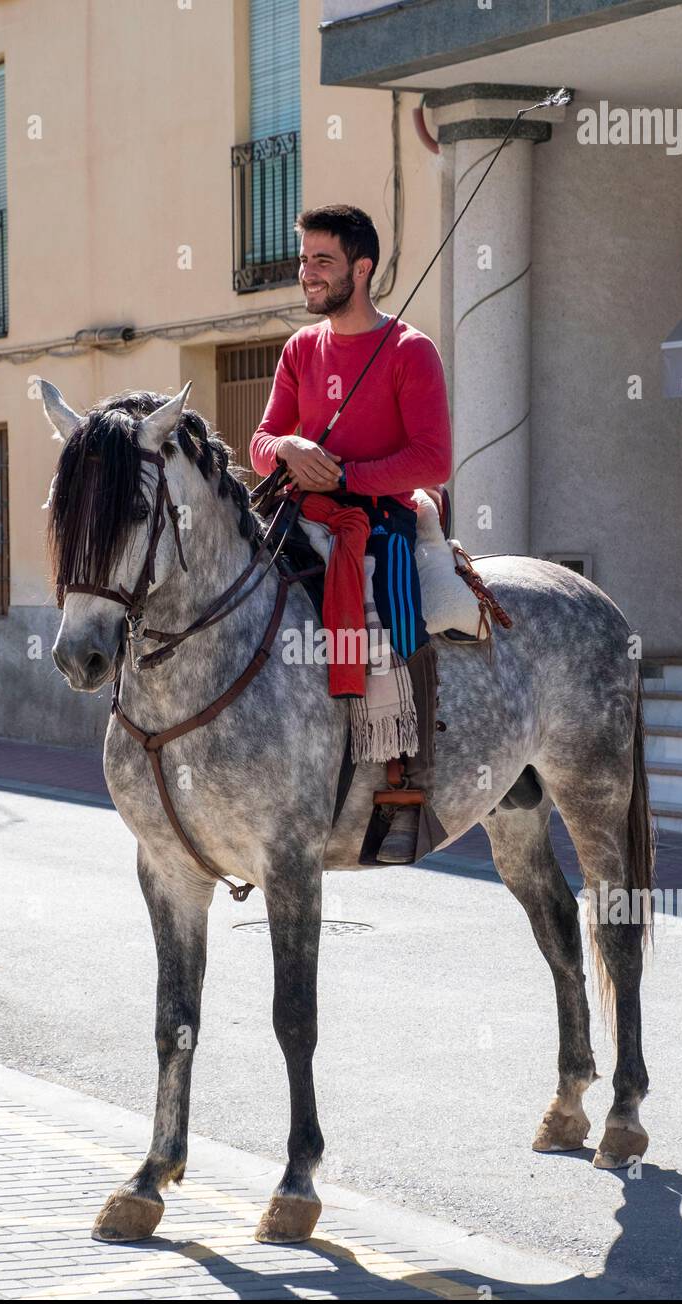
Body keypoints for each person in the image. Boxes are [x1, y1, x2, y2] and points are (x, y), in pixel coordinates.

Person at [250, 204, 452, 864]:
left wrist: (348, 473)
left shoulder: (410, 352)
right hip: (299, 515)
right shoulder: (298, 350)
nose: (307, 273)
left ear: (361, 269)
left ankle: (404, 784)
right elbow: (257, 444)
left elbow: (432, 459)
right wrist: (287, 446)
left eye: (322, 261)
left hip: (380, 519)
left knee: (392, 606)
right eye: (304, 259)